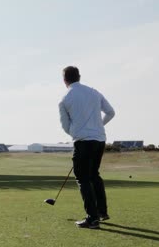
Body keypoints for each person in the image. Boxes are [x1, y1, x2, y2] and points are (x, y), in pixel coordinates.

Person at [58, 66, 115, 229]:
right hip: (99, 140)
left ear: (64, 80)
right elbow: (111, 112)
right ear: (79, 77)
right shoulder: (94, 92)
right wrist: (97, 126)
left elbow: (65, 126)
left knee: (83, 178)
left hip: (82, 141)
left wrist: (78, 133)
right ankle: (102, 212)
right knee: (94, 175)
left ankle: (92, 218)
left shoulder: (64, 99)